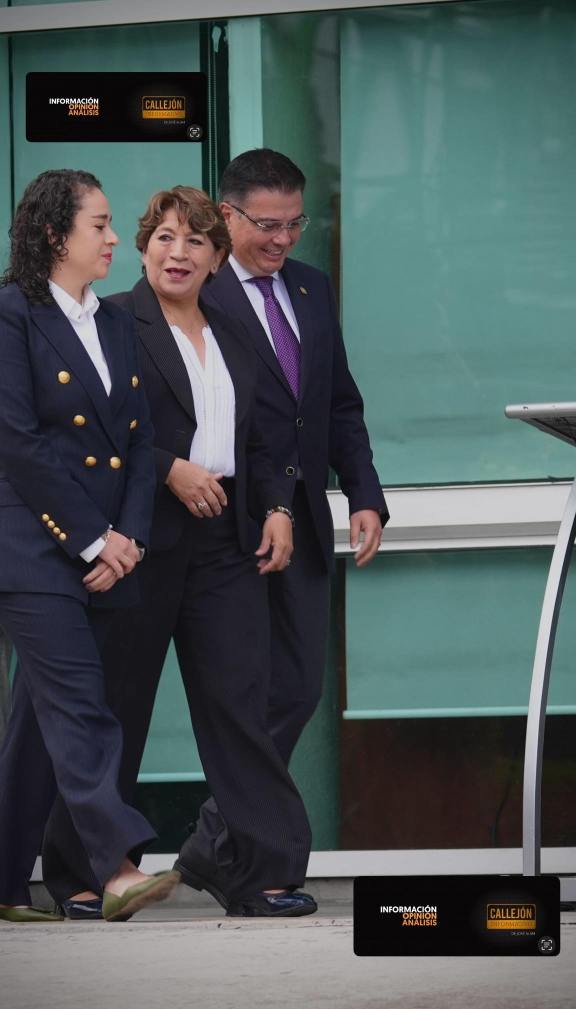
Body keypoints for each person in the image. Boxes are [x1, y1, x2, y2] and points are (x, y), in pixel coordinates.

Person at [41, 185, 316, 919]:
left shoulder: (234, 331)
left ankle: (257, 871)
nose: (178, 252)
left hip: (224, 539)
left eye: (196, 240)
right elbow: (85, 426)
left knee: (240, 704)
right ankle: (83, 870)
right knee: (118, 704)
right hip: (138, 535)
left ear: (218, 258)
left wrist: (280, 507)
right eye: (164, 237)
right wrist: (168, 468)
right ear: (142, 248)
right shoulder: (110, 321)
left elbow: (267, 437)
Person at [176, 149, 388, 905]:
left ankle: (213, 842)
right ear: (226, 215)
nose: (283, 239)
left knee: (296, 690)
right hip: (225, 521)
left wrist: (363, 492)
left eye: (295, 224)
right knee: (244, 693)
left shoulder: (310, 287)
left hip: (303, 519)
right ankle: (250, 862)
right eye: (267, 225)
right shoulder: (195, 291)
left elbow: (336, 402)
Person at [0, 169, 179, 923]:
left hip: (108, 550)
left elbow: (139, 439)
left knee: (38, 727)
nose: (112, 239)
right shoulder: (11, 313)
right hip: (32, 549)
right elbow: (18, 441)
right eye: (99, 225)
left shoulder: (113, 321)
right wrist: (91, 539)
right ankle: (117, 866)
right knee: (80, 706)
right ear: (54, 234)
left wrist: (128, 538)